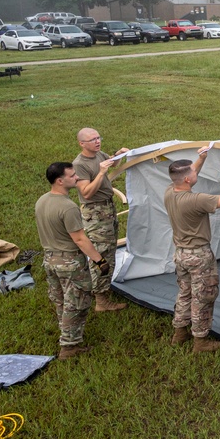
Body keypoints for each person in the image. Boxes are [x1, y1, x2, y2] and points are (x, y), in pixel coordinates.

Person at [164, 148, 220, 353]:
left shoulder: (170, 191)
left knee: (185, 292)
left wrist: (201, 158)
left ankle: (179, 332)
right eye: (194, 173)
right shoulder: (196, 200)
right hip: (199, 256)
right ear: (188, 180)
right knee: (204, 296)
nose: (196, 173)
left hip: (180, 253)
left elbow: (188, 173)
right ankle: (200, 340)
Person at [36, 162, 111, 360]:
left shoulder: (42, 201)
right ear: (60, 181)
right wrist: (99, 260)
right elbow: (79, 239)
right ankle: (69, 346)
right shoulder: (68, 208)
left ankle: (67, 332)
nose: (76, 178)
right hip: (70, 263)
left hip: (50, 260)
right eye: (72, 176)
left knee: (60, 300)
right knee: (76, 303)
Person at [73, 128, 130, 312]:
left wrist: (117, 156)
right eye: (92, 140)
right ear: (82, 143)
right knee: (101, 254)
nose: (98, 142)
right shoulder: (79, 164)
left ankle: (103, 290)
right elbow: (87, 193)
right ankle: (101, 300)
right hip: (95, 211)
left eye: (99, 138)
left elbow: (111, 164)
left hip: (107, 208)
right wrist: (100, 173)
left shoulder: (99, 154)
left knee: (110, 248)